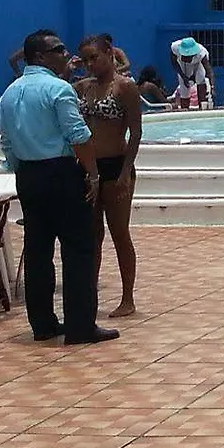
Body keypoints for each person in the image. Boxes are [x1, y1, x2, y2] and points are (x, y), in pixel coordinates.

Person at [0, 30, 118, 346]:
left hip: (29, 176)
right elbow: (78, 136)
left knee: (38, 251)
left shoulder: (9, 94)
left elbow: (7, 143)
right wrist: (92, 175)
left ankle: (43, 324)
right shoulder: (58, 89)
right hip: (61, 174)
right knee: (79, 249)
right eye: (59, 49)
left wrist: (21, 170)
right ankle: (80, 326)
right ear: (40, 56)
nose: (66, 54)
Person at [74, 35, 144, 320]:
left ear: (109, 54)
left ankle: (128, 298)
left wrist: (126, 172)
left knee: (118, 232)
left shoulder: (125, 87)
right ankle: (89, 296)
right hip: (88, 167)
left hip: (116, 165)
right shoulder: (81, 88)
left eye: (95, 57)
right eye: (86, 59)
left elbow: (135, 133)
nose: (90, 64)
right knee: (91, 235)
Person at [169, 36, 215, 109]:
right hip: (182, 65)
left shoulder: (201, 53)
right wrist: (183, 77)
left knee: (201, 80)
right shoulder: (175, 47)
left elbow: (209, 71)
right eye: (185, 56)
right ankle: (185, 110)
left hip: (198, 63)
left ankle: (202, 107)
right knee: (184, 88)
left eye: (188, 57)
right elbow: (174, 63)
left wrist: (212, 86)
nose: (186, 58)